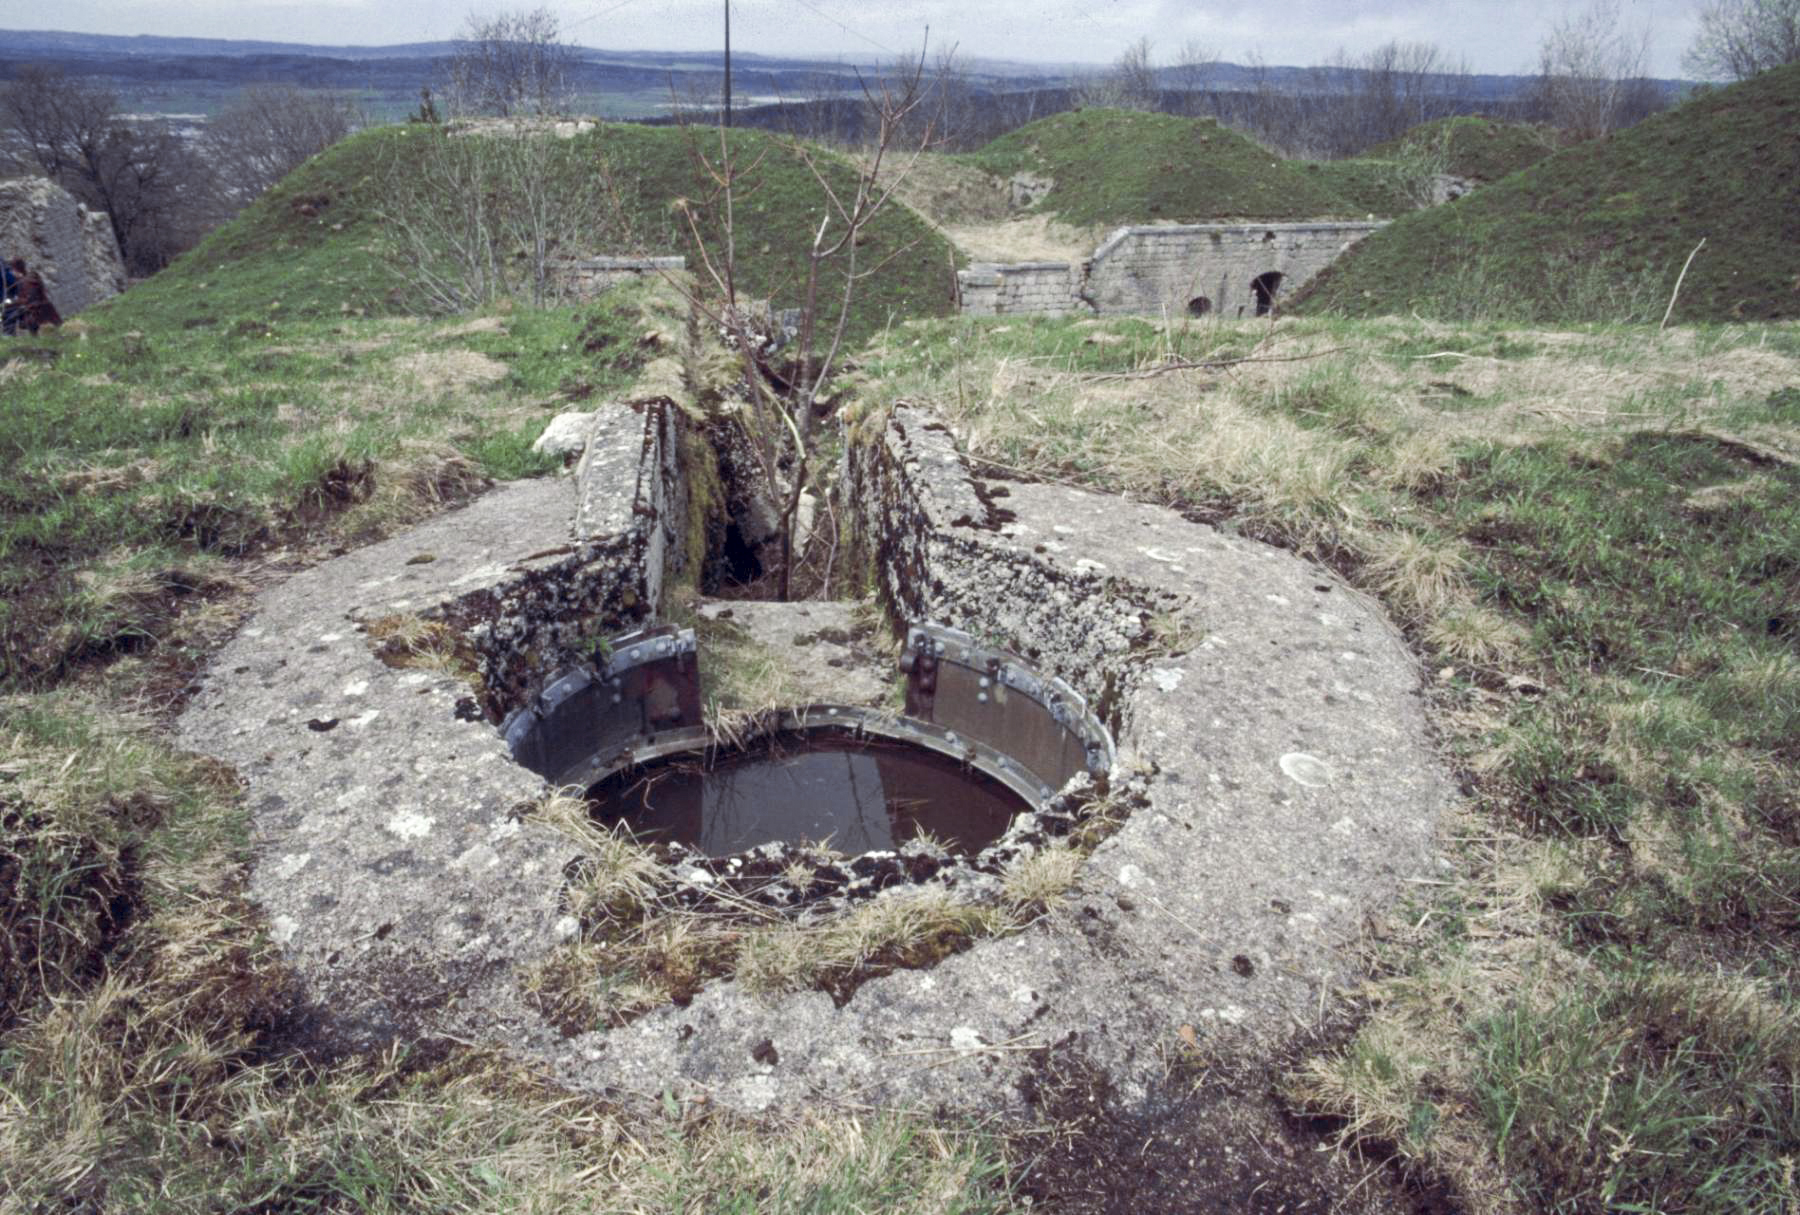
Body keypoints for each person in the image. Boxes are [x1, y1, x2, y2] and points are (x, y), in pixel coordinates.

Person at [10, 259, 60, 334]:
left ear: (16, 270)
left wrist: (13, 302)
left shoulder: (27, 282)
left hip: (38, 312)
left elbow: (30, 299)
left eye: (12, 270)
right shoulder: (24, 280)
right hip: (41, 310)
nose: (11, 273)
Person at [0, 257, 18, 336]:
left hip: (3, 297)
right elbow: (12, 282)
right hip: (3, 297)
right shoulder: (4, 270)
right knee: (9, 312)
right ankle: (8, 334)